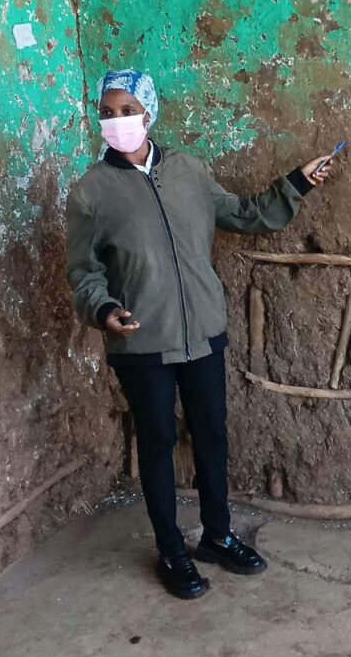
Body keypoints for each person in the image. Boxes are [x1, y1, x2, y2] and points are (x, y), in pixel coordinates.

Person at [66, 69, 333, 600]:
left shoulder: (188, 170)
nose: (117, 122)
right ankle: (171, 551)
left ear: (148, 112)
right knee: (158, 443)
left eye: (127, 111)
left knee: (210, 434)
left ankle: (217, 536)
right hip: (141, 339)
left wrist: (297, 182)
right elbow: (84, 271)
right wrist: (104, 310)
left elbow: (244, 215)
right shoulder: (90, 192)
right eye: (108, 113)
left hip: (203, 332)